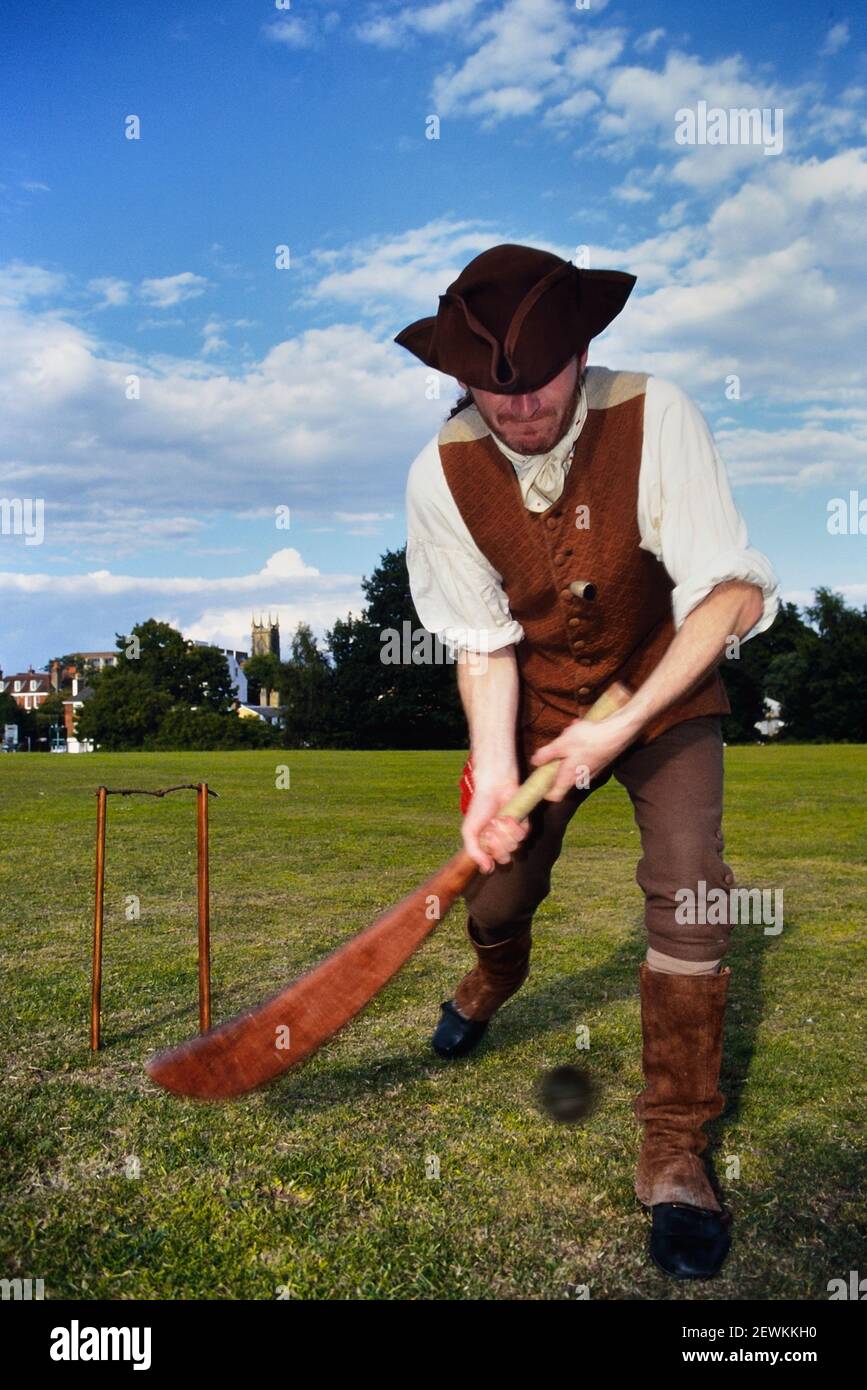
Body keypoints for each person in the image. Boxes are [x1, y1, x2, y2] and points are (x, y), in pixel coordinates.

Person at [395, 243, 779, 1280]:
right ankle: (490, 975)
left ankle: (675, 1148)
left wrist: (626, 719)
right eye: (493, 393)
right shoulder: (439, 474)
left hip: (666, 688)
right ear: (462, 380)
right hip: (536, 708)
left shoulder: (659, 414)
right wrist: (490, 776)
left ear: (584, 348)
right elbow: (482, 647)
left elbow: (730, 595)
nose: (520, 413)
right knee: (497, 893)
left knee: (691, 886)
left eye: (542, 384)